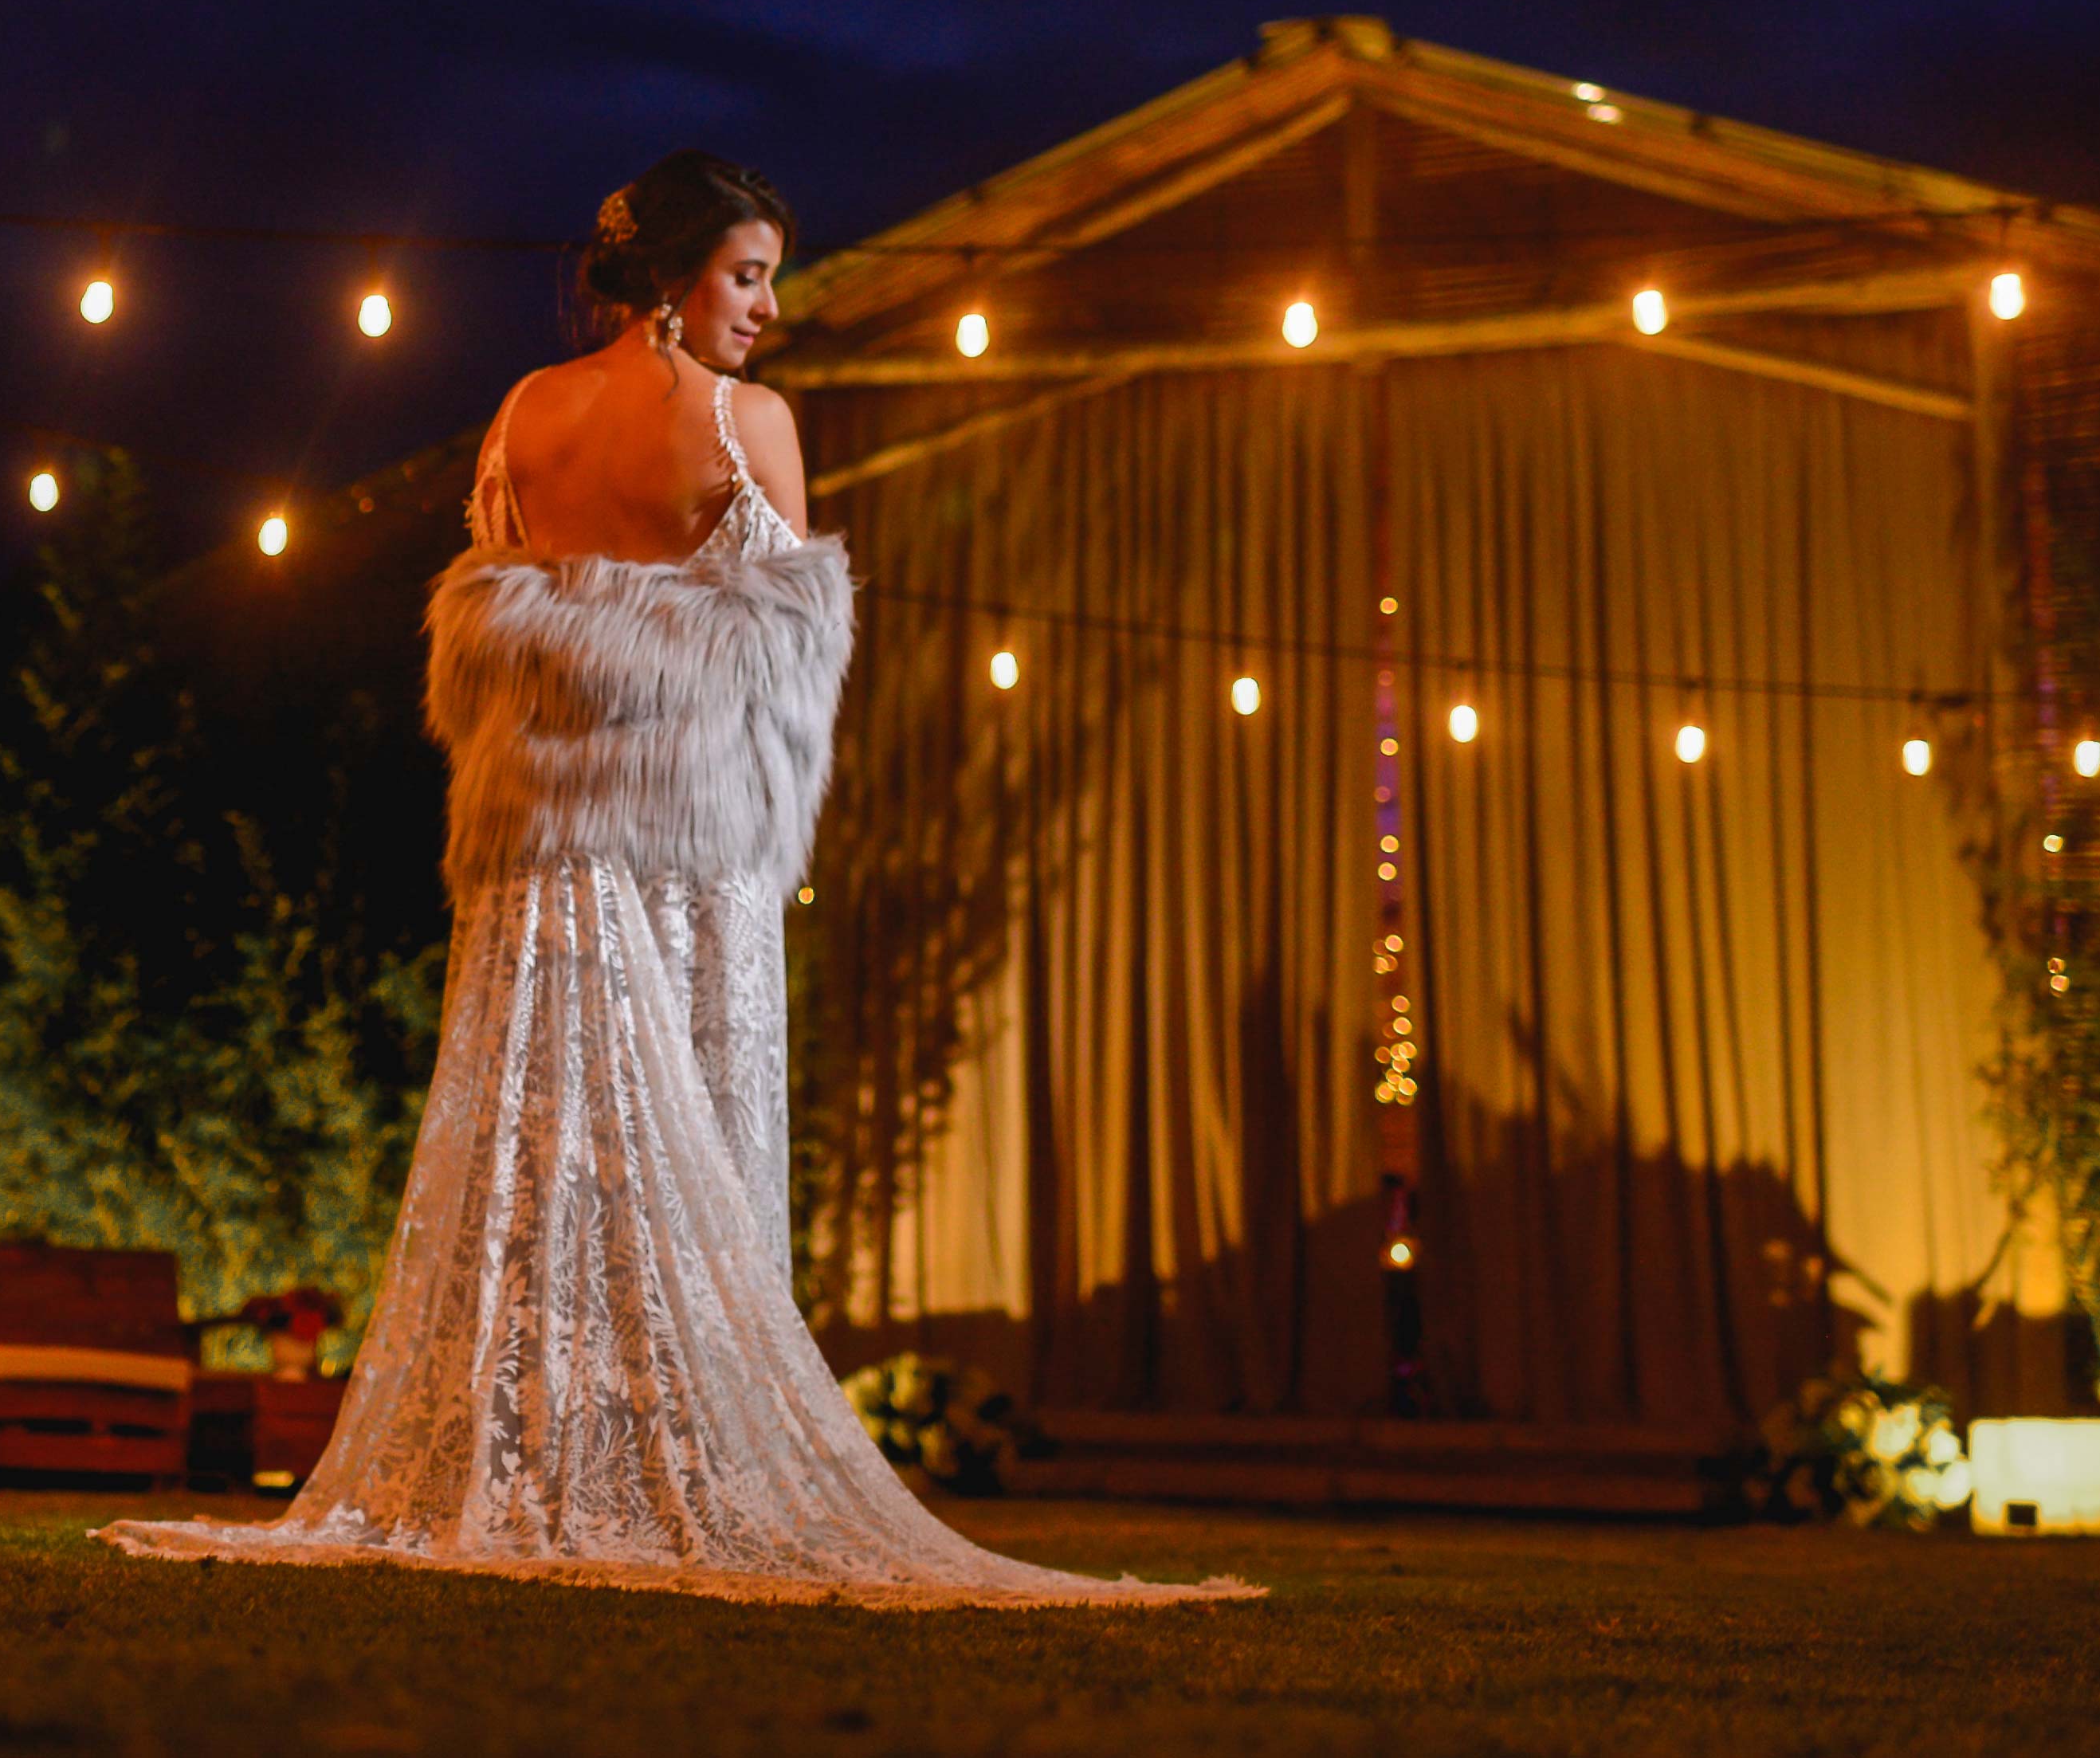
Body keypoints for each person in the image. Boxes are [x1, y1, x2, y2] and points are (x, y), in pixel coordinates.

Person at [106, 155, 1254, 1608]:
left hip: (540, 852)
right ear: (669, 281)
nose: (767, 308)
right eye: (747, 273)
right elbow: (780, 654)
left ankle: (536, 1457)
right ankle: (670, 1467)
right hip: (691, 846)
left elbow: (504, 596)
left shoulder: (520, 412)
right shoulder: (746, 423)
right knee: (690, 1138)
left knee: (545, 1151)